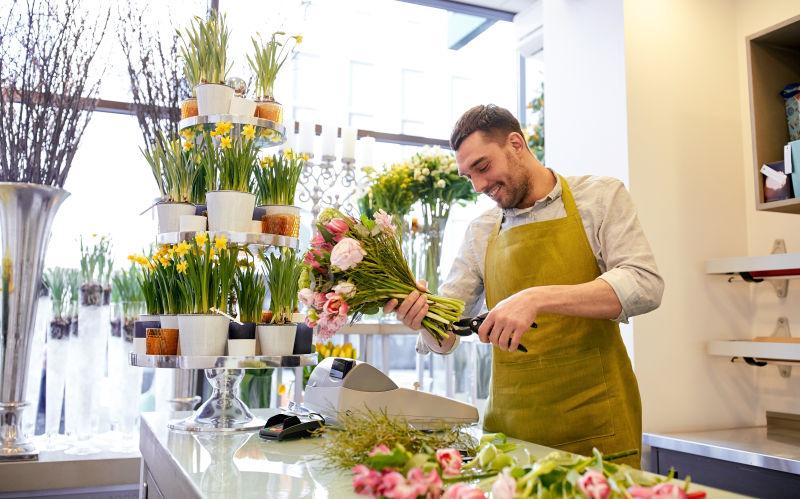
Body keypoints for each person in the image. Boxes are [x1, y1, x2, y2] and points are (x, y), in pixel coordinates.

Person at [384, 104, 663, 468]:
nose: (479, 185)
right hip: (512, 434)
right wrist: (423, 318)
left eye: (482, 167)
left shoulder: (600, 197)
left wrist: (537, 297)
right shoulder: (481, 231)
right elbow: (446, 337)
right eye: (468, 176)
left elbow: (644, 283)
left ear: (516, 144)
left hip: (598, 426)